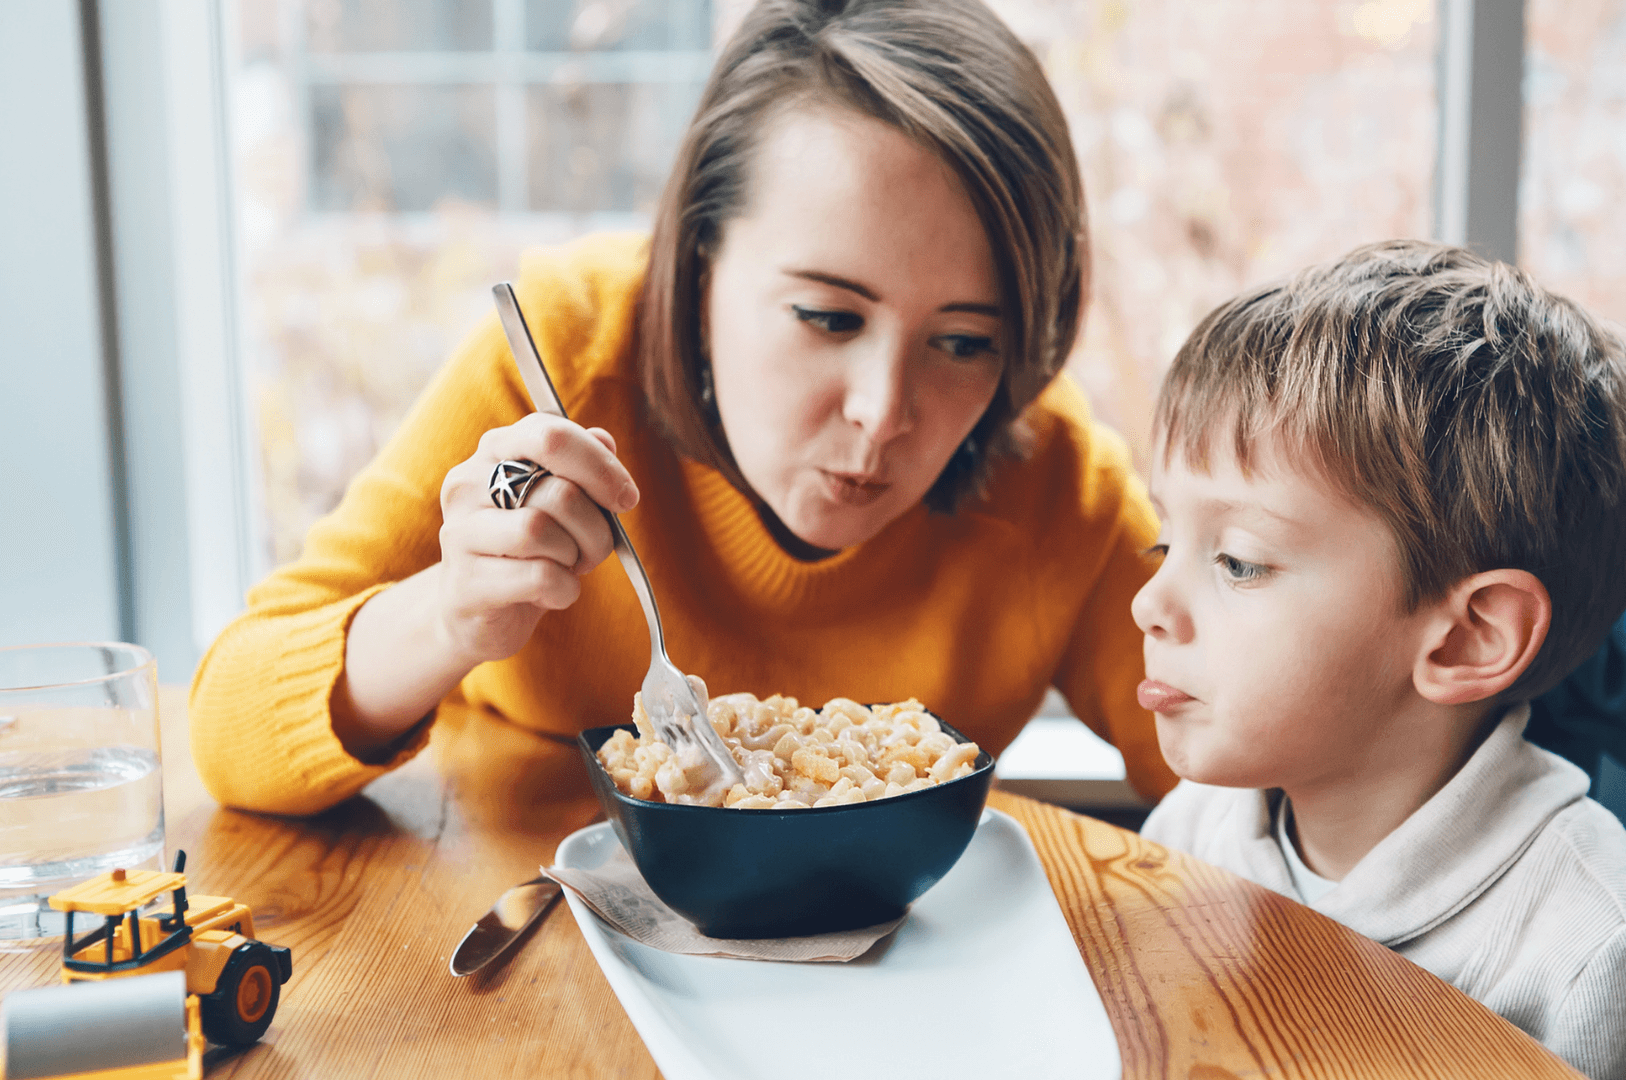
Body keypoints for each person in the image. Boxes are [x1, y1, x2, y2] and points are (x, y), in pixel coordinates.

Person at [189, 0, 1175, 815]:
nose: (883, 412)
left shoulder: (1050, 481)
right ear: (697, 261)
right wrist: (448, 614)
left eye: (963, 342)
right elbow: (230, 722)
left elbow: (1235, 772)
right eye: (828, 316)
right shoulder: (562, 362)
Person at [1133, 240, 1626, 1079]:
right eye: (1164, 539)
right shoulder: (1193, 830)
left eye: (1239, 561)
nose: (1149, 605)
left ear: (1467, 638)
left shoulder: (1607, 958)